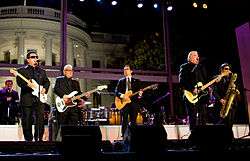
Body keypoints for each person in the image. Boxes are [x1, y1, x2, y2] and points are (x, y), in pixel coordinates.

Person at [16, 50, 50, 142]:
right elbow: (19, 82)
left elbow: (47, 82)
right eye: (32, 57)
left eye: (36, 57)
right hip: (27, 99)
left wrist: (45, 89)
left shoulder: (42, 71)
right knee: (27, 120)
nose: (35, 59)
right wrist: (27, 84)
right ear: (28, 60)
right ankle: (29, 141)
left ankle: (39, 139)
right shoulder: (22, 70)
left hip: (39, 99)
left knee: (40, 120)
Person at [178, 51, 209, 131]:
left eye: (197, 55)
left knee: (203, 115)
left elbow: (205, 80)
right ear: (190, 57)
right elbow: (182, 81)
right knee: (193, 116)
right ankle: (193, 135)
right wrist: (192, 89)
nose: (197, 57)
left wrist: (210, 84)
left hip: (201, 95)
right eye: (195, 55)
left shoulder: (201, 67)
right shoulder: (184, 67)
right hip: (190, 95)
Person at [115, 65, 143, 137]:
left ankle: (133, 136)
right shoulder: (121, 81)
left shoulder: (137, 81)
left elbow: (139, 95)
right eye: (124, 70)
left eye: (127, 69)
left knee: (133, 120)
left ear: (131, 71)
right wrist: (123, 96)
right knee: (124, 120)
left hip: (134, 103)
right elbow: (116, 92)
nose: (125, 71)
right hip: (124, 103)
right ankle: (124, 136)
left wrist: (140, 95)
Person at [212, 63, 240, 129]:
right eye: (226, 69)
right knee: (221, 123)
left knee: (230, 123)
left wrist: (235, 87)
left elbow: (237, 91)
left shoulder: (232, 78)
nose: (228, 70)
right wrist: (220, 99)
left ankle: (230, 137)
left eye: (229, 69)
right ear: (222, 70)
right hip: (221, 103)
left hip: (231, 104)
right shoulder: (217, 78)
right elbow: (214, 91)